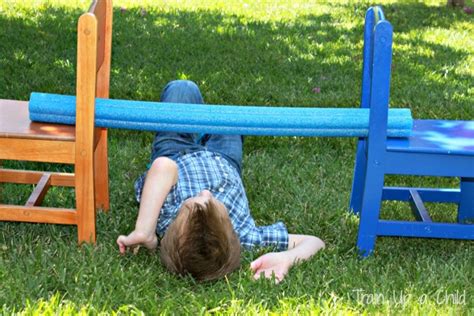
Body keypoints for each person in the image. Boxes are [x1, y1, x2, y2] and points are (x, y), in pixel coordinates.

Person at [117, 80, 325, 282]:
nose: (206, 192)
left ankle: (198, 128)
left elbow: (164, 166)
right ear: (232, 234)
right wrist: (286, 258)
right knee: (230, 117)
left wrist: (145, 229)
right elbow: (315, 242)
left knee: (182, 89)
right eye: (214, 202)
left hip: (177, 151)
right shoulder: (246, 235)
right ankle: (207, 128)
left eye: (195, 200)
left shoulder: (163, 217)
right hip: (225, 160)